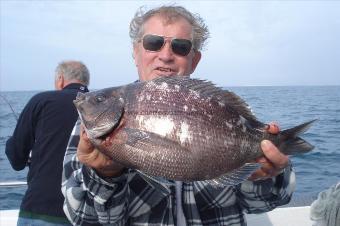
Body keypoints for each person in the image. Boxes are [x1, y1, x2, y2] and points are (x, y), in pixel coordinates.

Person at [62, 6, 294, 226]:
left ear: (194, 60)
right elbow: (83, 220)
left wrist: (264, 175)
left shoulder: (222, 112)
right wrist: (104, 175)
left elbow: (266, 202)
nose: (165, 55)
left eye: (181, 47)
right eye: (153, 43)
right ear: (136, 52)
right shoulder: (87, 131)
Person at [6, 61, 90, 226]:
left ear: (60, 80)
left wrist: (11, 143)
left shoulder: (41, 101)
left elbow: (16, 159)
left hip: (41, 210)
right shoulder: (100, 104)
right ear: (86, 82)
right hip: (90, 214)